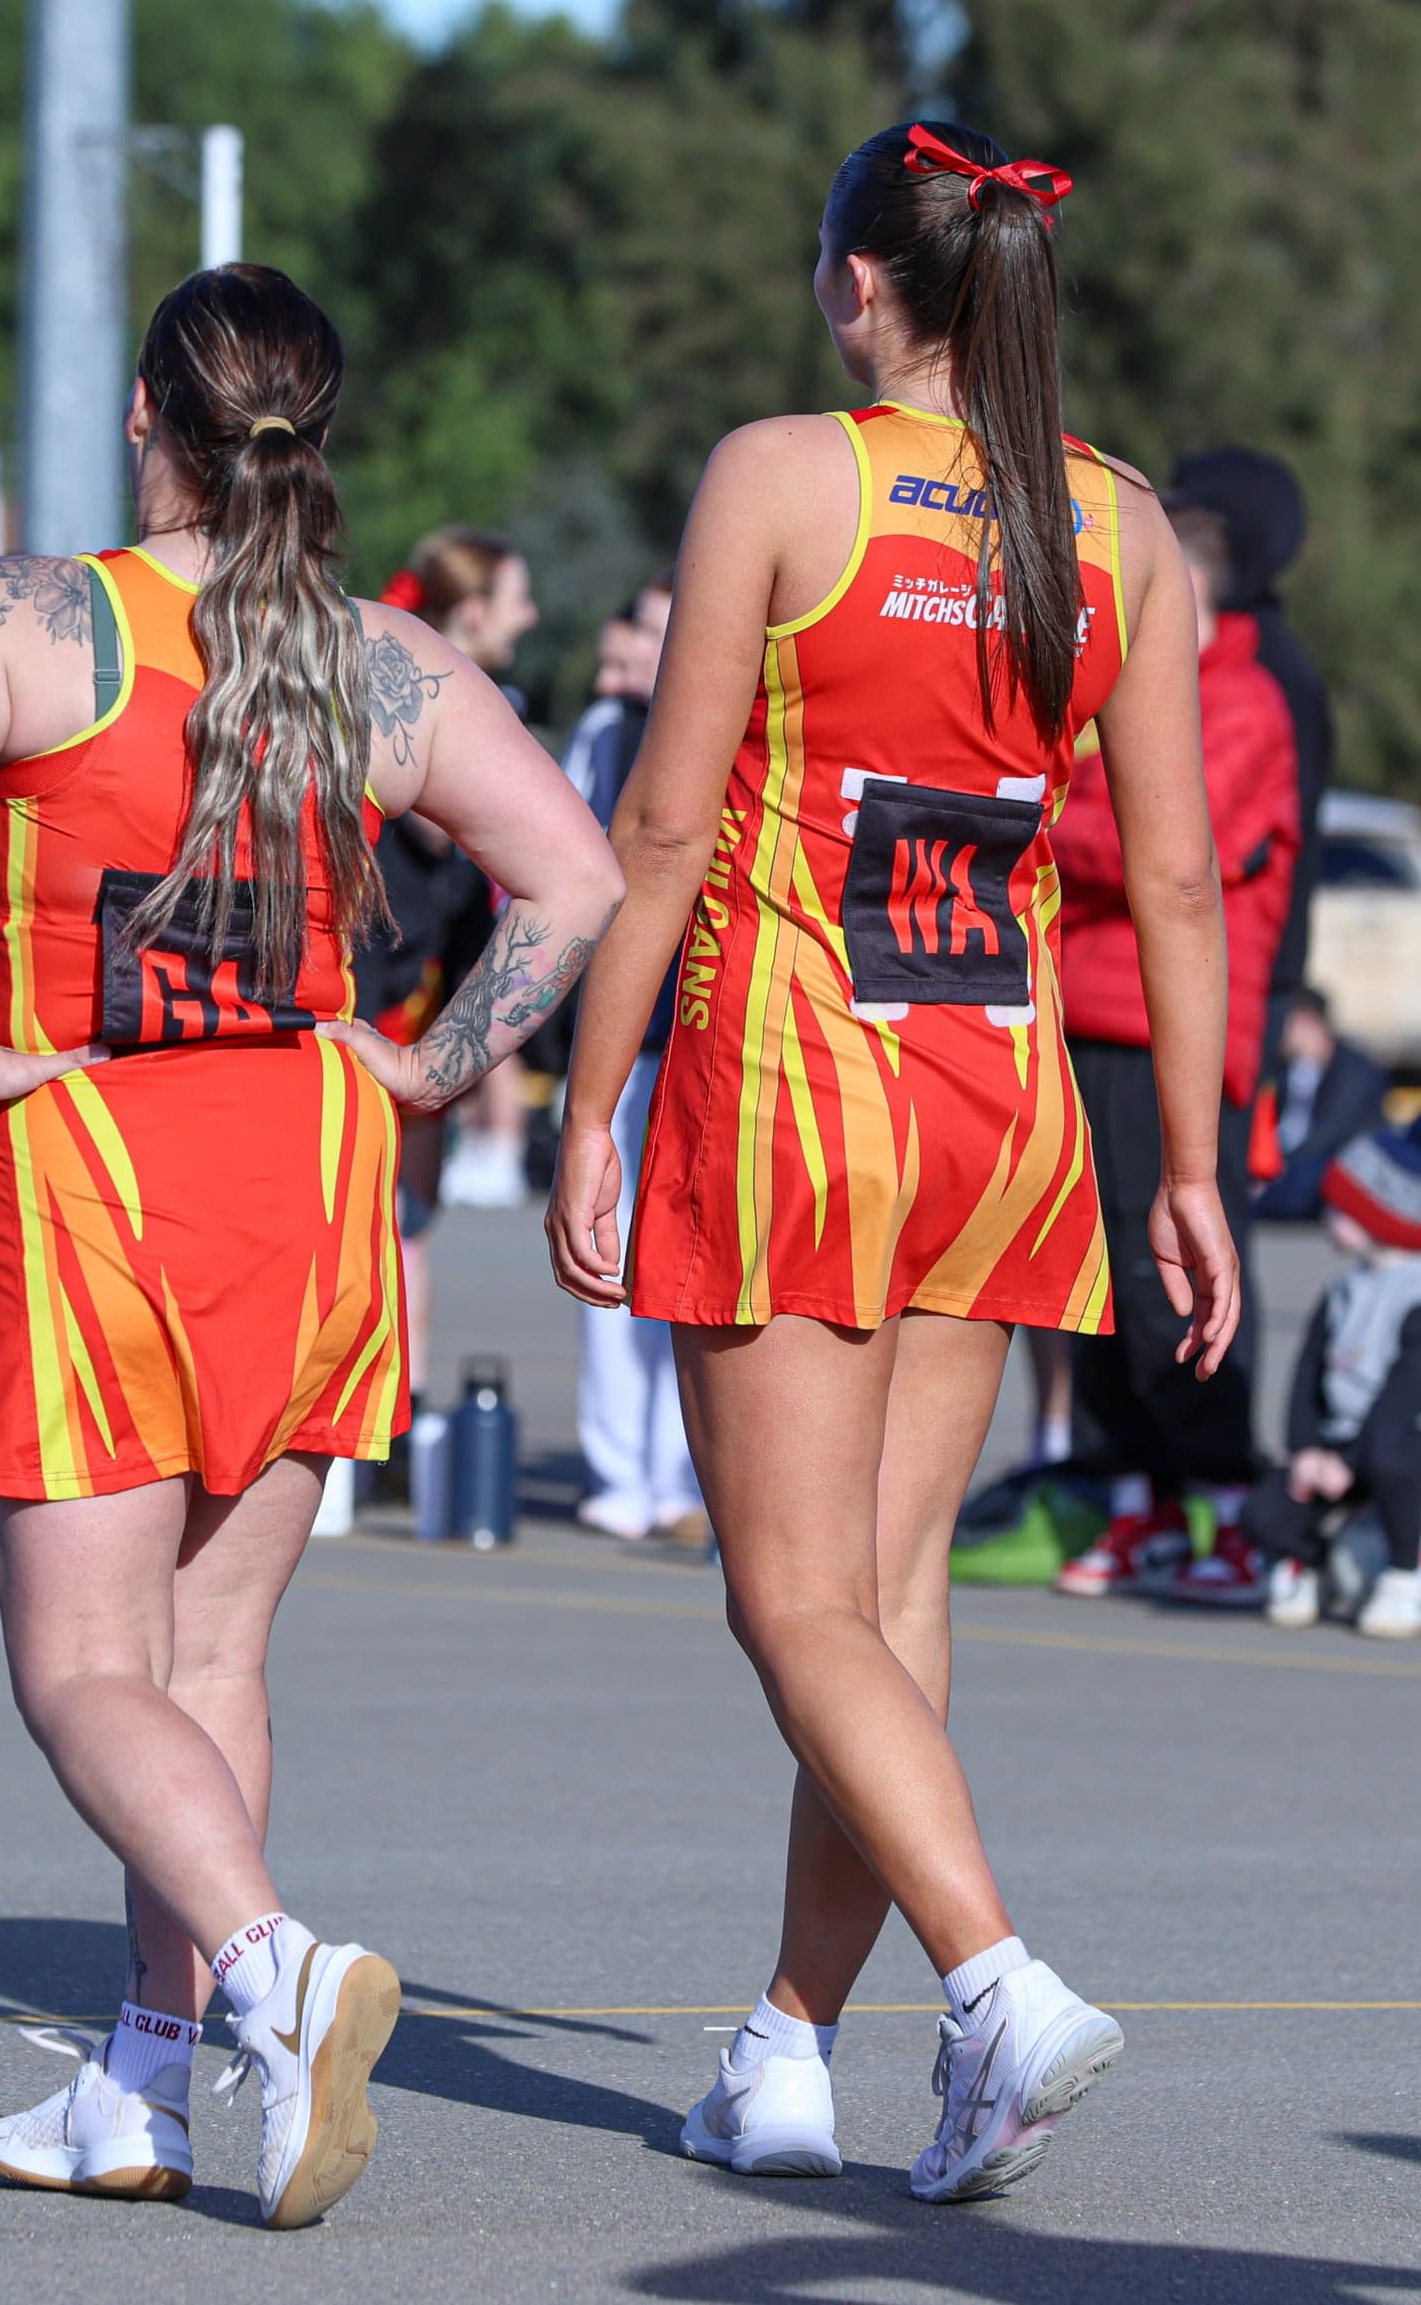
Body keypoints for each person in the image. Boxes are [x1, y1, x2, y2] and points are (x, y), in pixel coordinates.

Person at [0, 264, 619, 2225]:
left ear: (141, 416)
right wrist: (427, 1064)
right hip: (309, 1148)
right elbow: (579, 877)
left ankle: (271, 1969)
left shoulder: (32, 616)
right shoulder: (379, 656)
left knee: (82, 1668)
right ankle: (144, 2084)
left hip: (101, 1141)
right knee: (213, 1654)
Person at [549, 122, 1237, 2204]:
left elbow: (666, 829)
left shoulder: (787, 471)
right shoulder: (1119, 523)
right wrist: (1192, 1160)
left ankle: (992, 1977)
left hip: (796, 1066)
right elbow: (1183, 880)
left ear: (861, 283)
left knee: (785, 1598)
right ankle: (782, 2044)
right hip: (1006, 1090)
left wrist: (590, 1097)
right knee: (891, 1598)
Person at [1051, 504, 1300, 1604]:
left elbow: (1162, 845)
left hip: (1169, 1031)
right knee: (1088, 1279)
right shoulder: (1117, 693)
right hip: (1080, 1007)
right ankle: (1137, 1503)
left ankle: (1234, 1514)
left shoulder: (1244, 700)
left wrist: (1043, 813)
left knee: (1172, 1285)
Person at [559, 577, 703, 1541]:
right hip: (628, 1037)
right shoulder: (607, 735)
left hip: (709, 1036)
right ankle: (621, 1465)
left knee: (692, 1263)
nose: (637, 647)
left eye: (659, 631)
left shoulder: (736, 729)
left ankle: (684, 1472)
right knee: (604, 1256)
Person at [370, 524, 541, 1213]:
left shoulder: (474, 696)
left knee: (411, 1217)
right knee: (392, 1217)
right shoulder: (415, 691)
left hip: (428, 970)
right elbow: (439, 824)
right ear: (473, 613)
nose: (528, 617)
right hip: (380, 980)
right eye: (517, 599)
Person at [1165, 447, 1329, 1055]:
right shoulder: (1246, 657)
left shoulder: (1263, 675)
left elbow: (1272, 848)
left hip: (1237, 990)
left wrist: (1287, 990)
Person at [1244, 1125, 1421, 1641]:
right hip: (1340, 1446)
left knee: (1394, 1462)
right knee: (1265, 1510)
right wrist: (1307, 1450)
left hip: (1397, 1443)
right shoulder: (1341, 1291)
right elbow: (1305, 1382)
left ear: (1379, 1216)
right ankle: (1311, 1567)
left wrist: (1348, 1461)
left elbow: (1401, 1396)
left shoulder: (1414, 1296)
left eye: (1342, 1208)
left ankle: (1403, 1573)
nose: (1328, 1216)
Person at [1252, 987, 1388, 1223]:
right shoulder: (1284, 1068)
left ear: (1308, 1022)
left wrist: (1280, 1168)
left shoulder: (1354, 1070)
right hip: (1296, 1161)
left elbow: (1326, 1132)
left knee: (1305, 1176)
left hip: (1339, 1160)